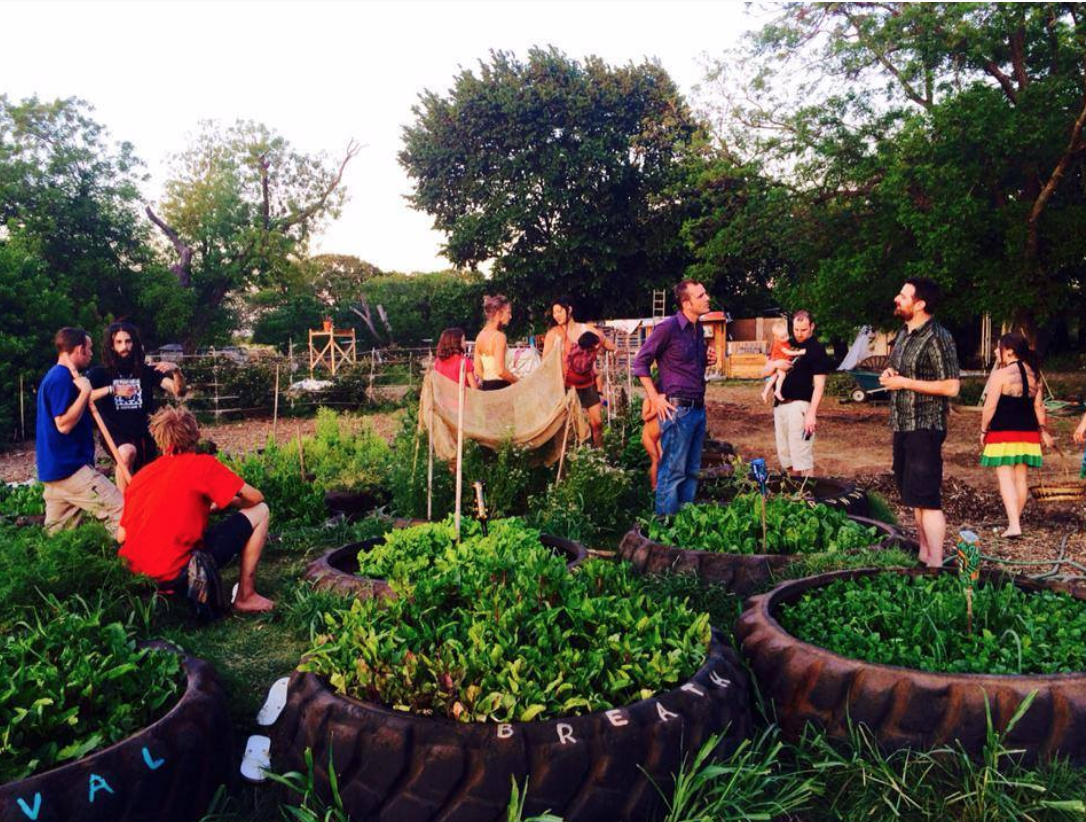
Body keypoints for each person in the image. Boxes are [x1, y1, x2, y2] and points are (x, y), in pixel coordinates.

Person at [117, 406, 275, 613]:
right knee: (261, 510)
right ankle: (246, 596)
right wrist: (225, 503)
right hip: (177, 574)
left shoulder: (142, 476)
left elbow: (122, 536)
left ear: (159, 439)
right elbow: (255, 497)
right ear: (196, 434)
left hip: (138, 577)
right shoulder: (202, 466)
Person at [879, 278, 960, 568]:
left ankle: (936, 566)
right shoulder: (903, 334)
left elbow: (951, 387)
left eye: (903, 296)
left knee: (927, 498)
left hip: (925, 426)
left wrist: (905, 382)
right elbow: (901, 373)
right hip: (902, 424)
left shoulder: (939, 337)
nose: (896, 299)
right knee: (913, 496)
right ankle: (924, 556)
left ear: (921, 304)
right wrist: (891, 374)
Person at [632, 280, 716, 515]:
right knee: (672, 471)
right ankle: (666, 531)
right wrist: (655, 397)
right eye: (701, 295)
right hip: (677, 411)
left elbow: (689, 367)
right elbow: (640, 363)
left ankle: (684, 524)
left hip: (698, 409)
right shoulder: (667, 329)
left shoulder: (698, 329)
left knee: (691, 471)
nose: (707, 297)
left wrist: (708, 360)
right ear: (687, 303)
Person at [36, 327, 125, 535]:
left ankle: (62, 567)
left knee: (59, 539)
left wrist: (87, 392)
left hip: (55, 472)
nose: (91, 353)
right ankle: (129, 562)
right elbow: (63, 424)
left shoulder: (58, 376)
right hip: (71, 469)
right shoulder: (60, 379)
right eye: (89, 348)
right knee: (121, 510)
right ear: (79, 349)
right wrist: (85, 391)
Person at [88, 322, 185, 493]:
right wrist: (112, 390)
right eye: (119, 342)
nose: (124, 347)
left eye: (128, 341)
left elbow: (179, 391)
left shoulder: (147, 372)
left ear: (135, 344)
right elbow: (84, 396)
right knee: (126, 453)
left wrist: (176, 371)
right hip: (116, 433)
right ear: (111, 346)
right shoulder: (100, 373)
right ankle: (123, 508)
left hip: (145, 433)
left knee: (150, 476)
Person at [979, 333, 1053, 537]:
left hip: (1003, 432)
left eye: (998, 347)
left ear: (1009, 350)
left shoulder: (1000, 375)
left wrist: (984, 430)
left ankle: (1014, 525)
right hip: (1028, 433)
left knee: (1005, 477)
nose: (996, 351)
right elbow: (1039, 407)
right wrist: (1043, 431)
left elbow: (989, 406)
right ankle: (1014, 522)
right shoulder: (1034, 374)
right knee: (1021, 479)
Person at [762, 311, 832, 477]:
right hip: (780, 406)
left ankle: (807, 496)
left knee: (802, 458)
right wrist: (775, 364)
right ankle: (795, 497)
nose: (799, 334)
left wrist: (811, 414)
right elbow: (763, 371)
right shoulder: (785, 343)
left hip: (800, 408)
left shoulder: (817, 349)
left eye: (804, 330)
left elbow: (819, 385)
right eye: (796, 329)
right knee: (786, 458)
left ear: (812, 327)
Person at [543, 297, 617, 448]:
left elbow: (606, 343)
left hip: (588, 384)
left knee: (597, 423)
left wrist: (610, 349)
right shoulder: (553, 334)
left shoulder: (585, 329)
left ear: (569, 310)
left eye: (559, 311)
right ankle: (574, 460)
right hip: (567, 386)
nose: (556, 315)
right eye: (554, 313)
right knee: (570, 427)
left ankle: (600, 458)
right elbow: (545, 362)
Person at [565, 331, 606, 447]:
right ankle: (579, 450)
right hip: (573, 388)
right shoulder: (576, 352)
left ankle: (599, 451)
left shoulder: (591, 351)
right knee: (574, 424)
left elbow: (603, 342)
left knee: (597, 423)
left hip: (589, 387)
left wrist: (602, 342)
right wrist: (596, 349)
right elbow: (581, 368)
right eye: (595, 345)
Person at [474, 295, 520, 391]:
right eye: (508, 312)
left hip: (486, 388)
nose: (510, 316)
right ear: (499, 313)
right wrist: (519, 382)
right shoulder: (499, 337)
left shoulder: (480, 336)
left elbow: (478, 370)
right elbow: (500, 371)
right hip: (501, 388)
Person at [761, 319, 805, 403]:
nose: (786, 338)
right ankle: (777, 391)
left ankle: (765, 392)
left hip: (780, 361)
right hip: (778, 361)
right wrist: (799, 352)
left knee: (774, 378)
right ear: (776, 337)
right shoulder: (778, 343)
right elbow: (787, 352)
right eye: (782, 337)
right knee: (782, 375)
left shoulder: (786, 341)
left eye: (786, 335)